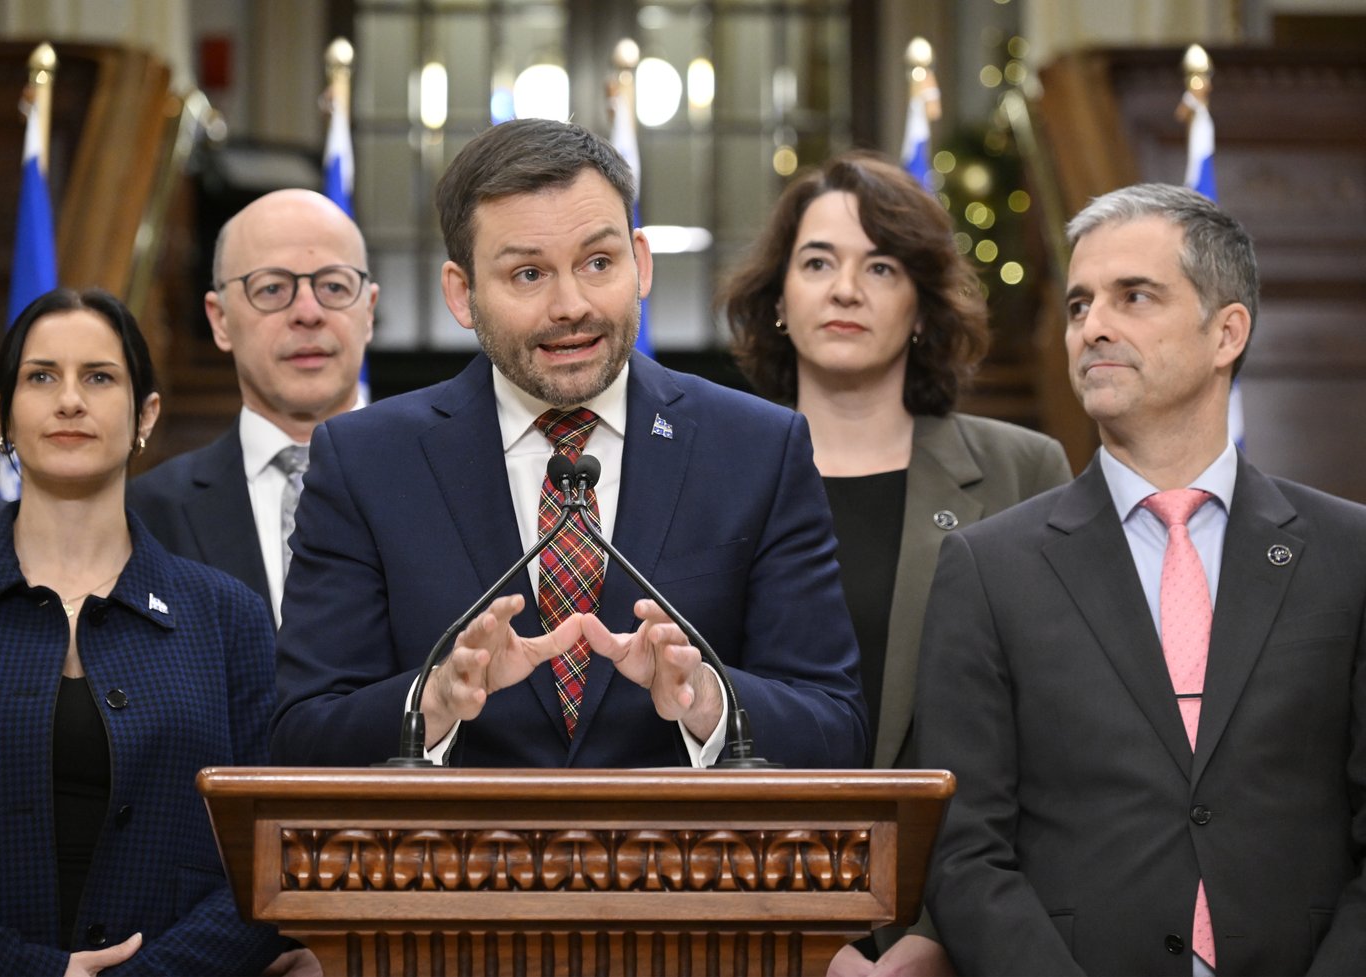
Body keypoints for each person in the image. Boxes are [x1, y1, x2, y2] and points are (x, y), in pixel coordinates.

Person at [270, 118, 867, 770]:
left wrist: (708, 699)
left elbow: (834, 726)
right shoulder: (365, 463)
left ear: (640, 263)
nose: (571, 304)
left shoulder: (757, 448)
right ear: (462, 294)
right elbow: (301, 734)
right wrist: (434, 699)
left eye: (598, 262)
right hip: (455, 863)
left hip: (687, 863)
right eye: (528, 273)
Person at [916, 184, 1366, 975]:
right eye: (1081, 303)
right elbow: (965, 853)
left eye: (1135, 296)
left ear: (1227, 333)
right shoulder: (991, 570)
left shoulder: (1350, 553)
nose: (1094, 326)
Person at [722, 151, 1071, 976]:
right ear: (778, 300)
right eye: (818, 263)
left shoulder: (1027, 471)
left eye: (880, 266)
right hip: (754, 931)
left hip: (966, 934)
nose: (846, 289)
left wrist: (940, 939)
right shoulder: (708, 477)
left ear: (920, 305)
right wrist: (812, 944)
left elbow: (1059, 740)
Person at [0, 288, 315, 975]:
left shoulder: (228, 615)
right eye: (42, 377)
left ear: (145, 413)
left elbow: (276, 853)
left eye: (99, 377)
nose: (70, 400)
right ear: (1, 414)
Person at [129, 188, 377, 627]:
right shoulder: (147, 514)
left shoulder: (450, 483)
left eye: (334, 286)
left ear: (369, 310)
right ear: (220, 319)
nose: (307, 312)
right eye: (272, 288)